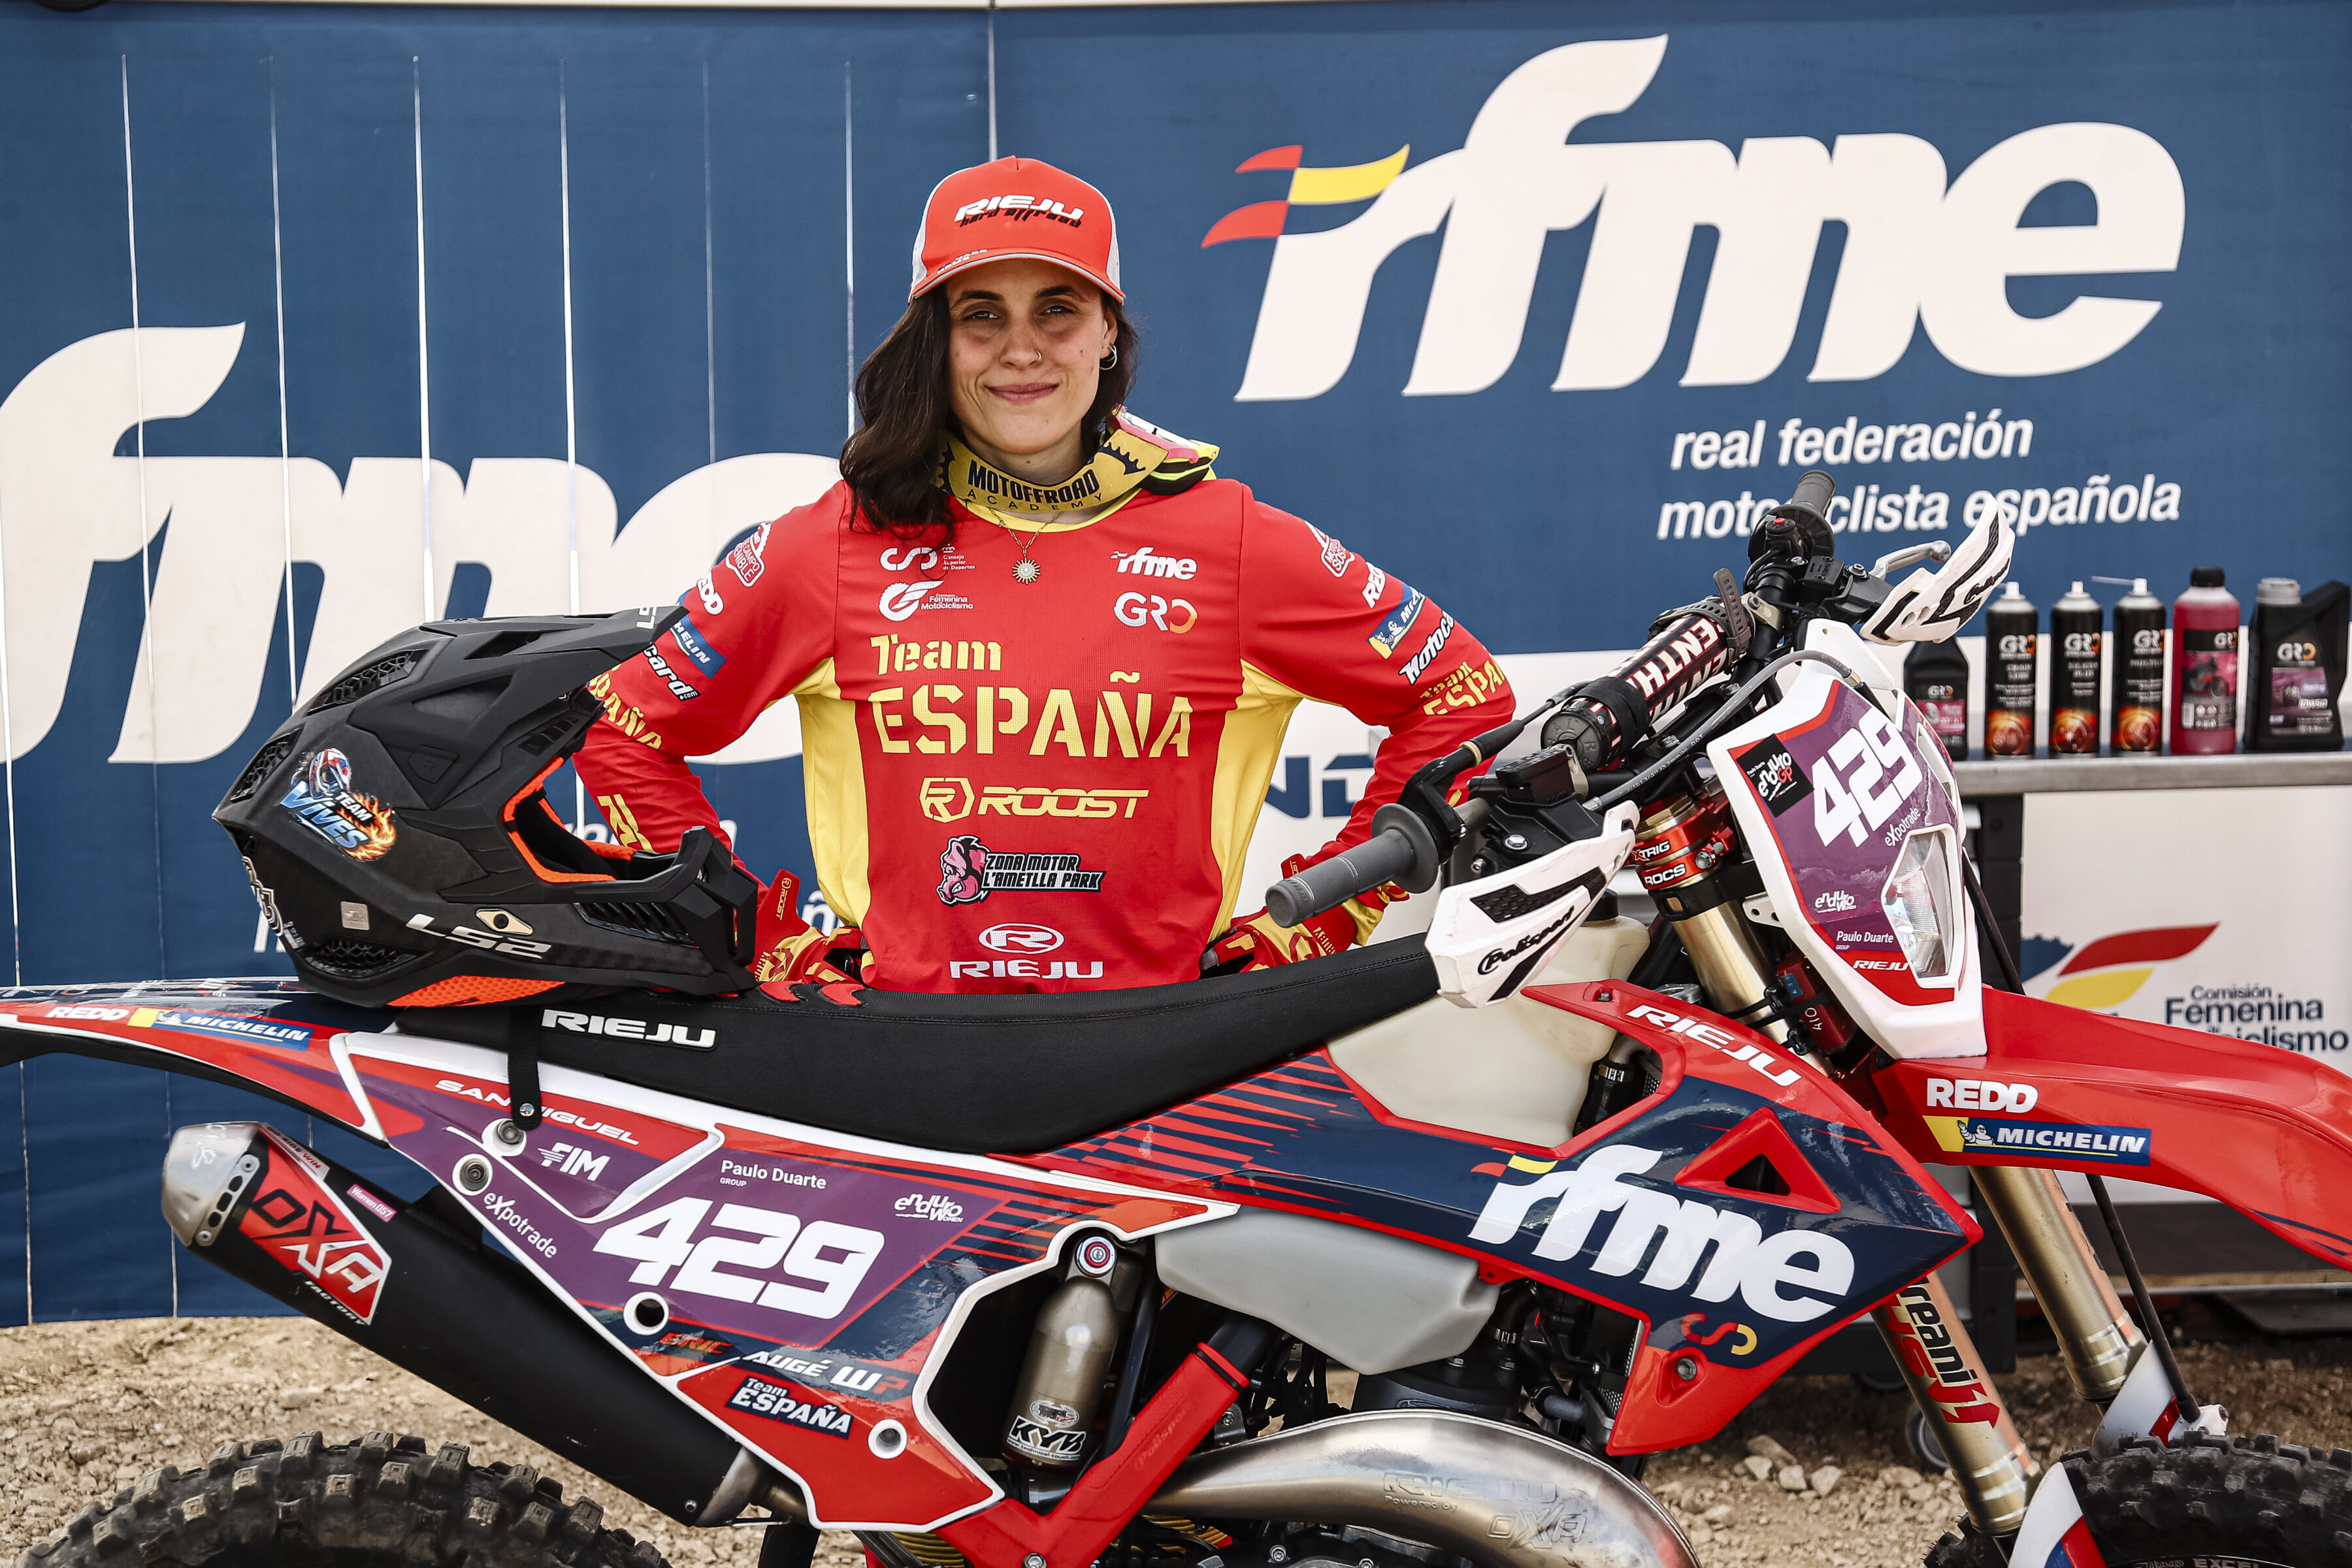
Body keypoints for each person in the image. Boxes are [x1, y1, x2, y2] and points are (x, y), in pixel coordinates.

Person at [573, 155, 1514, 994]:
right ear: (936, 340)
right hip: (901, 1048)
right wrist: (756, 940)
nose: (1022, 349)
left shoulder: (1227, 539)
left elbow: (1463, 698)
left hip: (1173, 1043)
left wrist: (1317, 923)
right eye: (981, 314)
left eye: (1057, 310)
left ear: (1107, 331)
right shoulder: (839, 542)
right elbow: (618, 729)